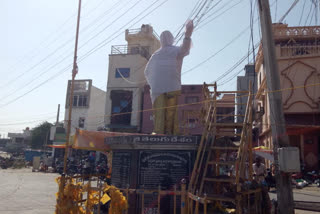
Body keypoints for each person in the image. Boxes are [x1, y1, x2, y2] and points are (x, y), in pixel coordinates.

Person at [144, 20, 194, 135]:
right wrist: (187, 35)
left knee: (159, 113)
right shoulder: (176, 50)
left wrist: (153, 84)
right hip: (172, 86)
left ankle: (158, 132)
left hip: (157, 89)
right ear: (172, 39)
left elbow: (147, 71)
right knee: (171, 112)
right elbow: (185, 49)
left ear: (161, 41)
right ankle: (172, 133)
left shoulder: (155, 55)